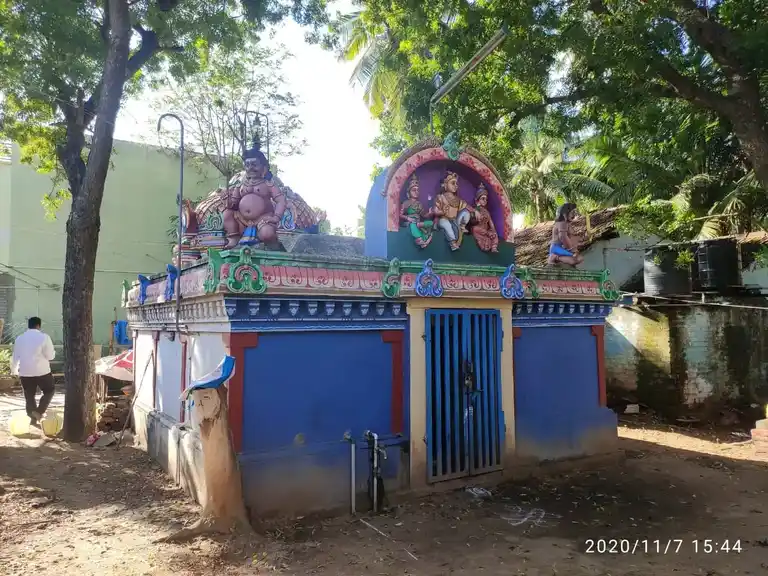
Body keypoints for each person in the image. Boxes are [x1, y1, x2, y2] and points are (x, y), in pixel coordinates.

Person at [11, 317, 56, 426]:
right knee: (49, 391)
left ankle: (32, 419)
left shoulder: (19, 338)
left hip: (25, 372)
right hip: (42, 372)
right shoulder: (44, 337)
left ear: (29, 325)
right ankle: (39, 411)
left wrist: (14, 371)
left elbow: (15, 357)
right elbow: (50, 356)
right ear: (39, 325)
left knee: (29, 396)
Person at [548, 202, 584, 267]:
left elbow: (571, 236)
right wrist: (571, 250)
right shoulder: (562, 222)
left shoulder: (566, 223)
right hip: (556, 248)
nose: (573, 215)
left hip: (560, 248)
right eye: (572, 213)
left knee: (579, 258)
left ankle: (557, 258)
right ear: (564, 214)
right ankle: (554, 257)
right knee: (577, 259)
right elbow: (562, 237)